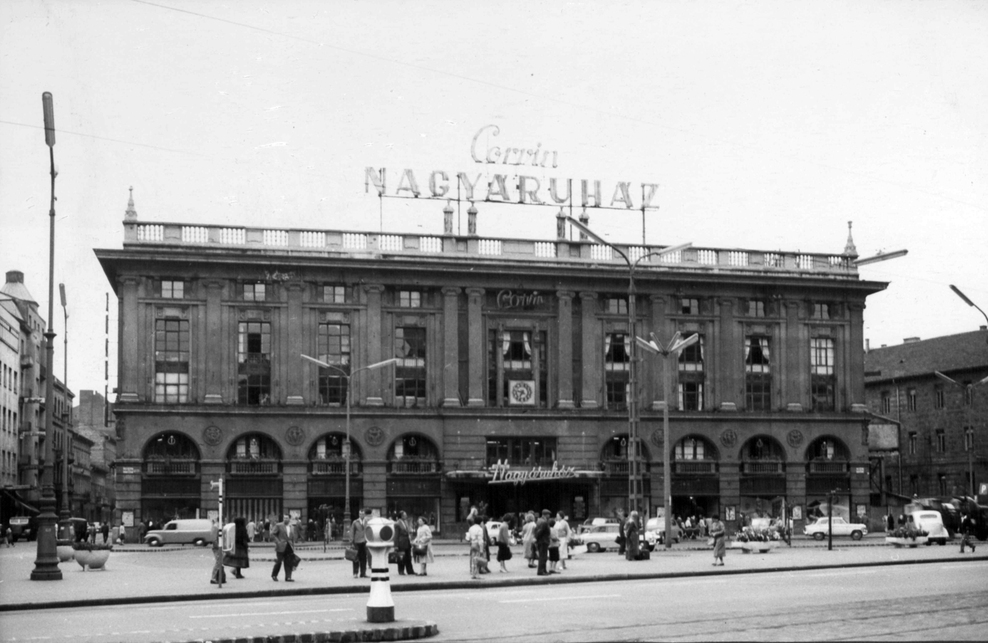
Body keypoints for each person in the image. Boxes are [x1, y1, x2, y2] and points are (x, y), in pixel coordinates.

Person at [270, 514, 294, 582]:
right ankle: (274, 575)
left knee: (289, 562)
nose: (285, 519)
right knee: (279, 561)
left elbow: (292, 538)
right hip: (281, 546)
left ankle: (288, 577)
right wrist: (278, 542)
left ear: (289, 519)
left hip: (289, 547)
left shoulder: (291, 527)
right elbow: (272, 534)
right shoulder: (279, 525)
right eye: (284, 518)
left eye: (287, 518)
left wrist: (293, 546)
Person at [351, 509, 371, 579]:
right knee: (356, 558)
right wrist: (351, 542)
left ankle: (363, 573)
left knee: (364, 558)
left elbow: (369, 531)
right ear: (359, 515)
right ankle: (355, 573)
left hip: (364, 542)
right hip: (357, 542)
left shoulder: (367, 522)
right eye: (360, 514)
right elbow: (352, 532)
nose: (361, 515)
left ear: (364, 515)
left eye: (362, 514)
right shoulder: (355, 522)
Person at [394, 511, 415, 576]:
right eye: (404, 515)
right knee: (401, 557)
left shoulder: (406, 522)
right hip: (401, 542)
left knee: (408, 557)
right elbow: (396, 535)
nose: (406, 516)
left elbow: (408, 531)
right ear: (401, 516)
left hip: (407, 542)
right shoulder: (397, 524)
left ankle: (410, 571)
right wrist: (396, 545)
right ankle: (401, 571)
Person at [467, 515, 485, 579]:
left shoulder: (471, 528)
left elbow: (468, 538)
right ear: (480, 522)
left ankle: (473, 573)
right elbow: (480, 540)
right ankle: (477, 574)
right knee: (477, 559)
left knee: (472, 558)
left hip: (472, 544)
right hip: (477, 544)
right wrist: (481, 550)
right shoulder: (480, 529)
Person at [534, 509, 551, 576]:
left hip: (541, 541)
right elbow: (540, 532)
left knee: (543, 556)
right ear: (544, 515)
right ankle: (541, 571)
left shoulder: (538, 521)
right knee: (543, 557)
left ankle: (544, 570)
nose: (549, 516)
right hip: (543, 541)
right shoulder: (544, 522)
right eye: (548, 514)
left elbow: (536, 530)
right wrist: (538, 537)